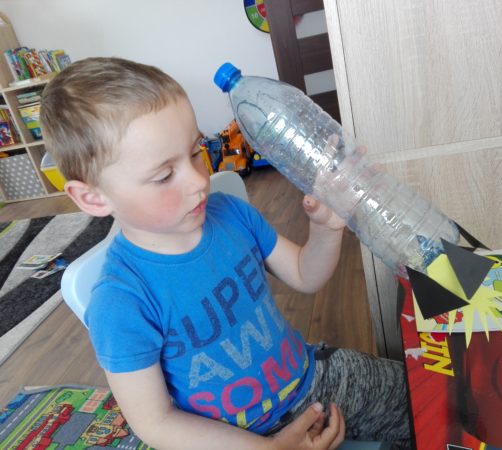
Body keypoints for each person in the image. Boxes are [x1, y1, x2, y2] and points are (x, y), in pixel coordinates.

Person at [40, 57, 411, 450]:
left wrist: (326, 228)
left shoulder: (231, 214)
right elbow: (155, 423)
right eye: (164, 175)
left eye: (194, 152)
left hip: (311, 379)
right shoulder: (120, 301)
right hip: (239, 440)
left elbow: (306, 275)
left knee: (432, 399)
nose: (198, 180)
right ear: (93, 198)